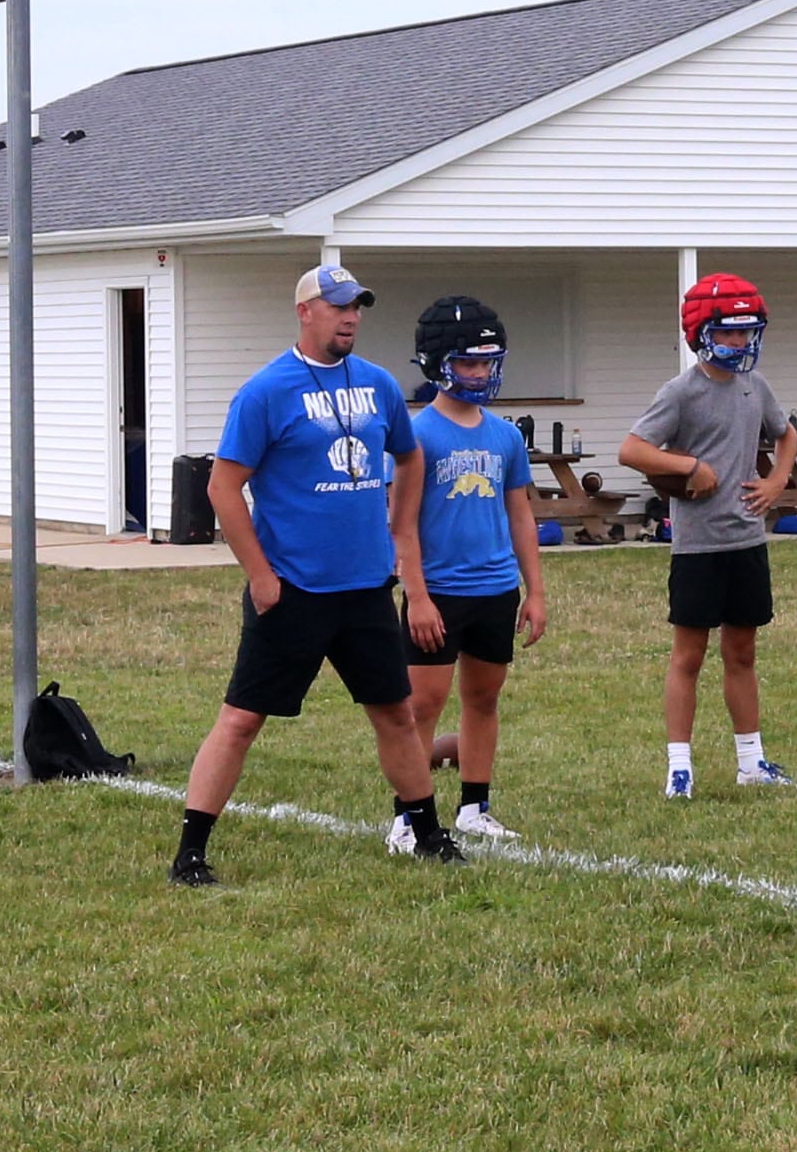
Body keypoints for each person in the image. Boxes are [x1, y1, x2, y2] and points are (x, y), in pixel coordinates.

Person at [172, 261, 457, 884]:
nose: (350, 317)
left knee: (395, 714)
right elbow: (223, 489)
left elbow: (409, 458)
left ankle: (428, 832)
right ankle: (191, 851)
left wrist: (398, 527)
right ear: (305, 312)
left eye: (356, 307)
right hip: (294, 590)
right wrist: (260, 574)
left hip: (364, 590)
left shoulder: (378, 385)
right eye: (337, 307)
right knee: (243, 719)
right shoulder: (266, 391)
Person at [620, 272, 797, 797]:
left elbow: (786, 434)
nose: (741, 343)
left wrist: (774, 481)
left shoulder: (756, 384)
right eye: (729, 333)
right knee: (688, 655)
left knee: (742, 652)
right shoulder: (680, 392)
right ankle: (680, 766)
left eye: (747, 333)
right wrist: (689, 465)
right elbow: (632, 449)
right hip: (699, 545)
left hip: (746, 540)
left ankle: (752, 760)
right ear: (702, 333)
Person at [402, 295, 549, 842]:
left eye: (487, 362)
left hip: (494, 589)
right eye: (469, 362)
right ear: (439, 363)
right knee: (422, 707)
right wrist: (416, 596)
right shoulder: (417, 436)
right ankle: (409, 817)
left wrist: (534, 591)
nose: (481, 373)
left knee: (483, 700)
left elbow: (520, 516)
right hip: (439, 590)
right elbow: (403, 525)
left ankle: (474, 806)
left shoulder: (506, 436)